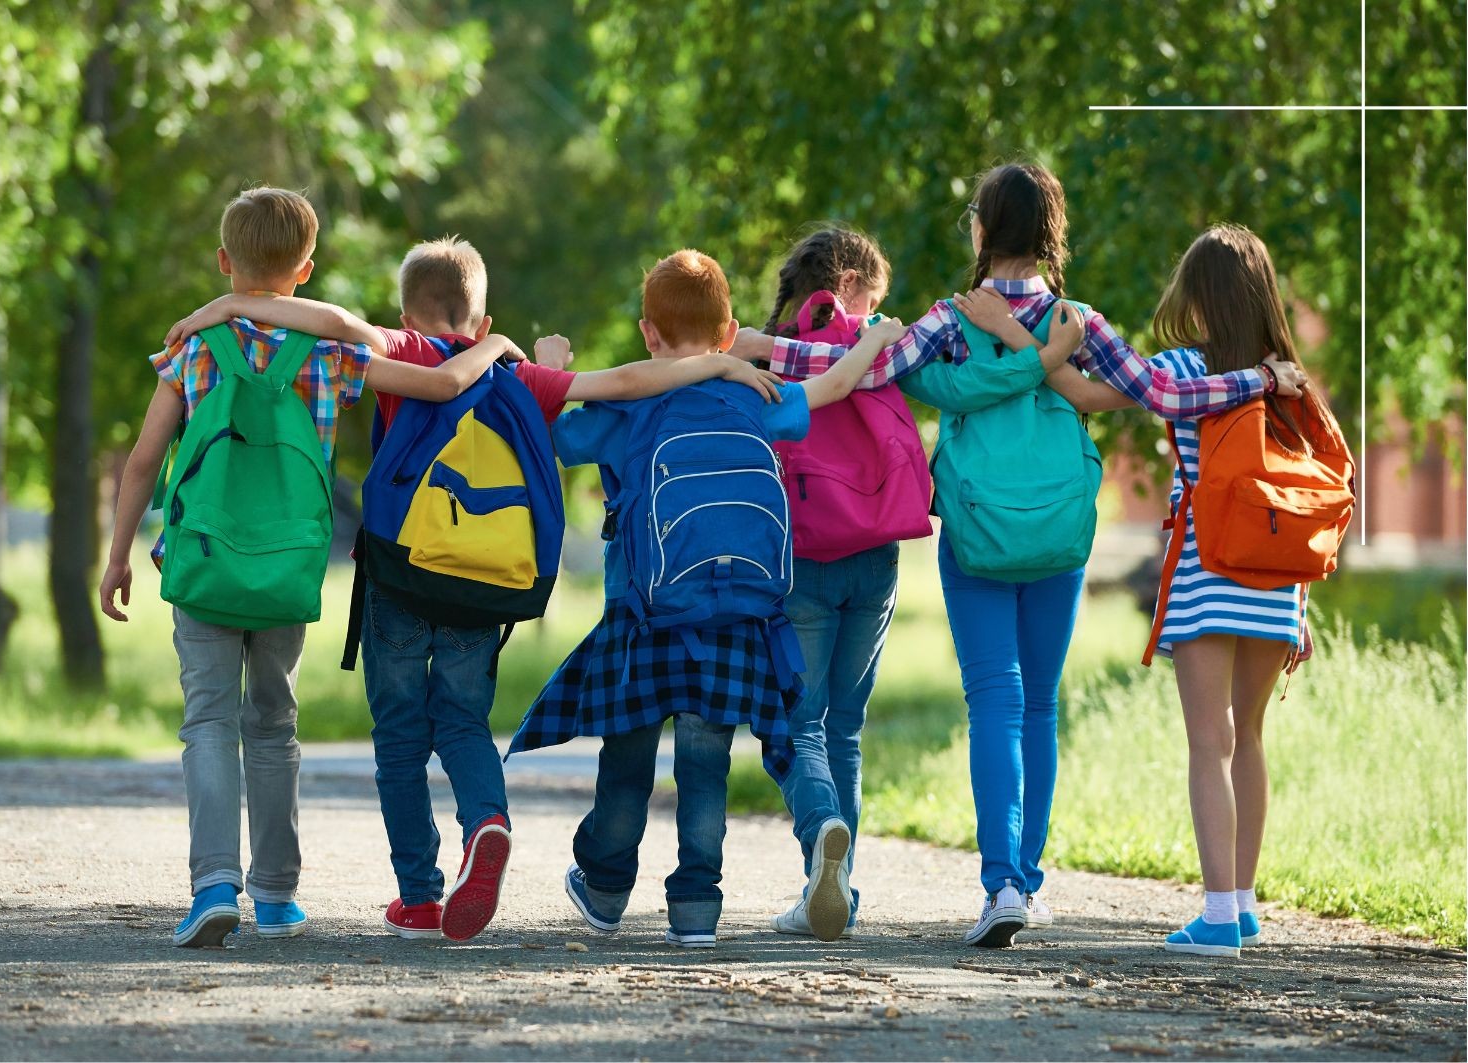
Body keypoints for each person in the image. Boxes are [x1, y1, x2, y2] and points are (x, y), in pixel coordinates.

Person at [730, 162, 1307, 948]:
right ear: (1050, 233)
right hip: (1059, 535)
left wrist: (761, 348)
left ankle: (999, 880)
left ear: (981, 229)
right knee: (1039, 705)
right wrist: (1260, 377)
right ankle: (1025, 885)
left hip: (975, 530)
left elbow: (851, 370)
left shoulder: (946, 319)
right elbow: (1159, 392)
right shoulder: (1079, 319)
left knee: (994, 703)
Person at [162, 236, 783, 942]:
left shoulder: (404, 357)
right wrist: (722, 363)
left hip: (401, 575)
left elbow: (331, 322)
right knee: (461, 720)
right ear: (482, 324)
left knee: (399, 737)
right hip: (483, 582)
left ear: (405, 312)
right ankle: (487, 818)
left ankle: (418, 898)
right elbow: (624, 383)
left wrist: (222, 305)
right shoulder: (518, 375)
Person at [99, 189, 524, 948]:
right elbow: (441, 385)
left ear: (224, 262)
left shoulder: (193, 349)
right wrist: (494, 347)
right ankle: (276, 895)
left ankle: (212, 885)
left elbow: (141, 461)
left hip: (203, 562)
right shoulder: (332, 355)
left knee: (207, 719)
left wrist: (116, 554)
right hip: (287, 569)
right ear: (306, 268)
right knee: (273, 723)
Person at [508, 249, 908, 947]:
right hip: (735, 614)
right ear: (728, 331)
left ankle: (604, 886)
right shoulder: (753, 393)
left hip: (644, 615)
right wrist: (874, 338)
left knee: (626, 761)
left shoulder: (627, 402)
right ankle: (696, 907)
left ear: (647, 333)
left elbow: (542, 439)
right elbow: (835, 387)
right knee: (704, 764)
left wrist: (552, 363)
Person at [1047, 224, 1341, 958]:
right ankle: (1240, 906)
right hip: (1276, 582)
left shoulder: (1182, 367)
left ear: (1201, 296)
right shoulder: (1289, 380)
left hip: (1209, 572)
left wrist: (1048, 341)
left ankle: (1214, 915)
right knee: (1248, 740)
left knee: (1206, 742)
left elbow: (1115, 387)